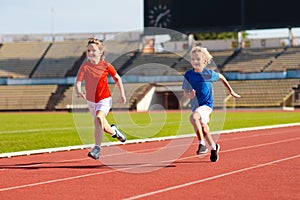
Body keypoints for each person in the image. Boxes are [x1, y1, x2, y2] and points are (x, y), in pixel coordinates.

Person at [182, 46, 240, 162]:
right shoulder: (188, 75)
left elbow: (222, 77)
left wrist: (231, 91)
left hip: (206, 105)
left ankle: (201, 144)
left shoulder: (208, 74)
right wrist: (190, 95)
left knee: (193, 118)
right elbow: (185, 93)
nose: (195, 62)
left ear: (205, 61)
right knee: (204, 129)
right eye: (193, 59)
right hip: (195, 106)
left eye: (198, 59)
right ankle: (214, 147)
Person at [75, 38, 127, 160]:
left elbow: (117, 78)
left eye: (93, 50)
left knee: (98, 118)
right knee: (103, 126)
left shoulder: (106, 65)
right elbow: (78, 82)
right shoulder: (84, 67)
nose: (90, 53)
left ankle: (97, 149)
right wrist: (78, 91)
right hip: (91, 101)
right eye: (88, 51)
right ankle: (115, 132)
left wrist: (122, 94)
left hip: (104, 99)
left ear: (100, 53)